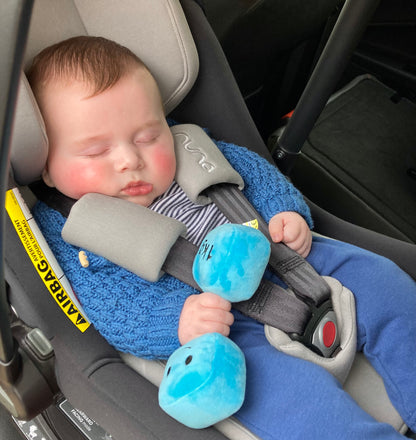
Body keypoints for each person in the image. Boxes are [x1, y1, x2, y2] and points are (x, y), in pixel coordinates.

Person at [28, 36, 416, 439]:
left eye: (147, 136)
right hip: (223, 323)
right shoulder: (69, 232)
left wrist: (284, 210)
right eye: (96, 152)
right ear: (48, 168)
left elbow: (250, 171)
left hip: (287, 257)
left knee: (386, 286)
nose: (130, 160)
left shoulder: (189, 146)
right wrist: (176, 321)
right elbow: (107, 304)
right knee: (293, 403)